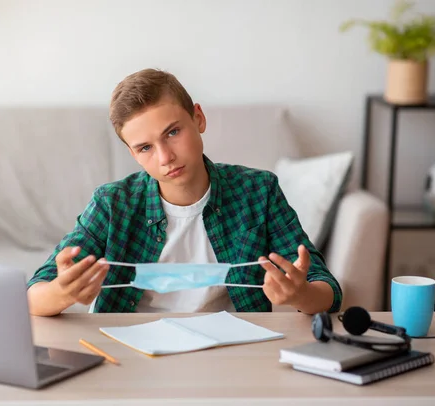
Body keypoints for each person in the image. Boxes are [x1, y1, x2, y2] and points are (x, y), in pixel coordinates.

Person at [27, 68, 342, 316]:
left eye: (173, 132)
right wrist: (64, 292)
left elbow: (327, 291)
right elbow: (34, 295)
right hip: (132, 354)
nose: (165, 158)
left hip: (233, 351)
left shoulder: (258, 191)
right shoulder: (112, 205)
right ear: (132, 154)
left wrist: (300, 294)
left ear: (199, 118)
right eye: (145, 148)